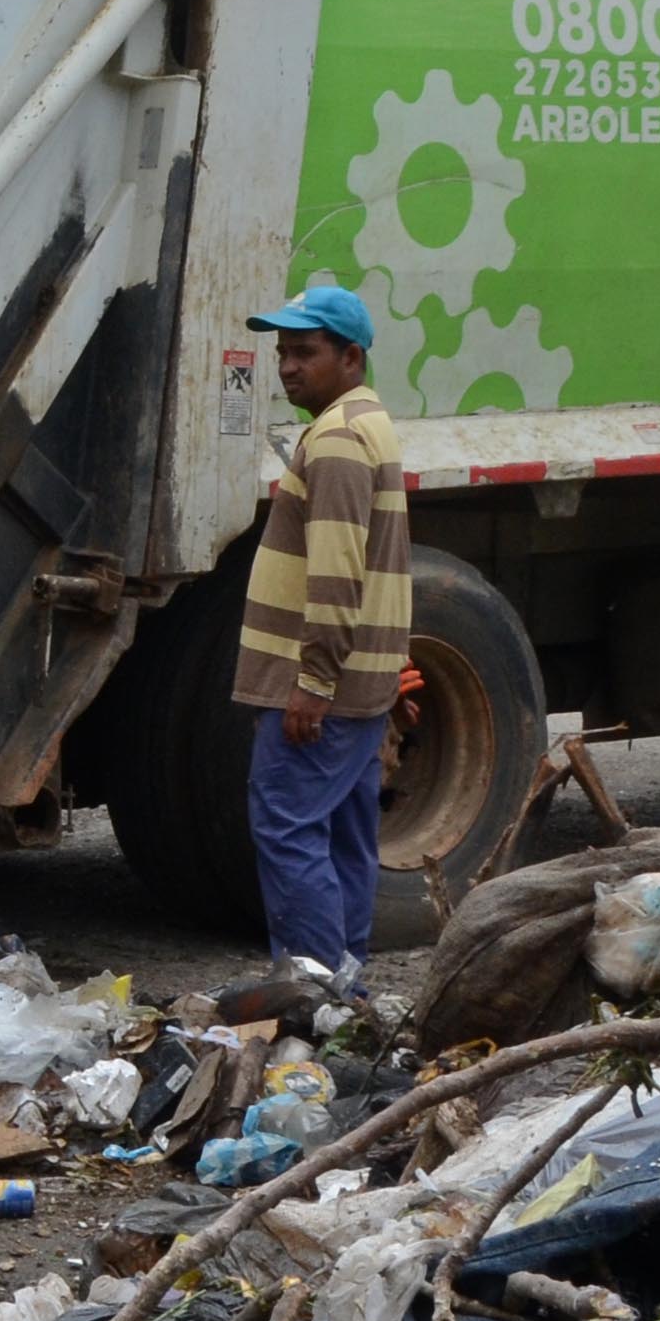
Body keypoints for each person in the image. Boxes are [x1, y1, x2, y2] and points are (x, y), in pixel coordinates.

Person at [233, 282, 411, 977]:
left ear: (351, 356)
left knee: (285, 824)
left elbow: (335, 574)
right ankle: (347, 989)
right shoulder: (370, 424)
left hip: (320, 688)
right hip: (361, 679)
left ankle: (310, 992)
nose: (286, 367)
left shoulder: (335, 438)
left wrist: (311, 681)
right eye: (281, 352)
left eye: (304, 352)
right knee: (343, 832)